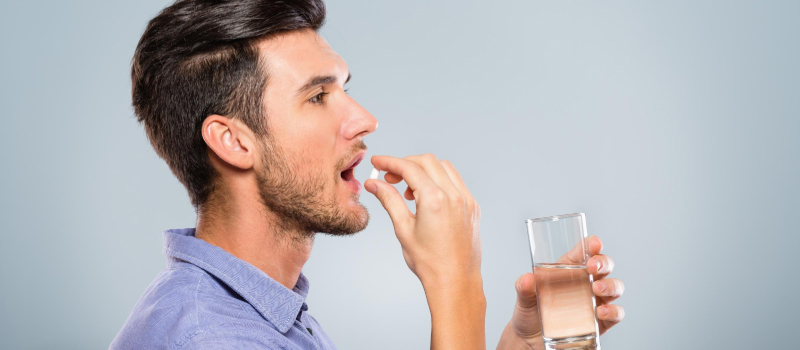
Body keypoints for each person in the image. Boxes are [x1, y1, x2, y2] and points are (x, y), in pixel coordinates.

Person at [111, 0, 625, 349]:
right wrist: (456, 281)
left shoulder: (263, 313)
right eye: (317, 96)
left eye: (344, 88)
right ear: (235, 141)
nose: (364, 120)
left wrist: (519, 343)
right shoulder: (210, 338)